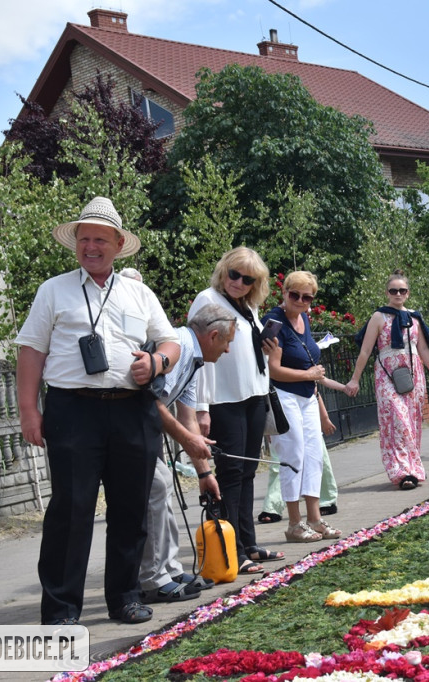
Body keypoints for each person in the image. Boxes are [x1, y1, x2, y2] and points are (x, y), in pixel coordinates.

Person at [15, 196, 181, 625]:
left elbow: (171, 343)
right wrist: (29, 412)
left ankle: (125, 597)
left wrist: (156, 362)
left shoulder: (139, 292)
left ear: (117, 243)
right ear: (76, 244)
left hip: (132, 410)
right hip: (73, 411)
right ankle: (61, 608)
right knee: (71, 509)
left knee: (131, 507)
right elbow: (31, 352)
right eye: (84, 238)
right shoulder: (53, 290)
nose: (91, 246)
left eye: (100, 240)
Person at [142, 303, 271, 604]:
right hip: (128, 427)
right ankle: (152, 579)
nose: (227, 351)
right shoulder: (179, 348)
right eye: (227, 343)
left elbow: (187, 416)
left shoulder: (196, 358)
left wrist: (204, 474)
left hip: (143, 430)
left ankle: (169, 571)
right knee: (156, 489)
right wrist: (189, 440)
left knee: (161, 492)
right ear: (213, 336)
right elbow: (152, 403)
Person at [189, 247, 275, 575]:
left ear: (256, 283)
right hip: (224, 400)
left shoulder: (249, 307)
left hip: (252, 395)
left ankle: (248, 544)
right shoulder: (207, 299)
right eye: (233, 274)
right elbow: (200, 354)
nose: (238, 282)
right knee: (230, 476)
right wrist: (201, 407)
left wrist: (268, 350)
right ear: (223, 271)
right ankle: (230, 550)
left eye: (247, 278)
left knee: (248, 473)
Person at [345, 271, 429, 489]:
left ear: (407, 293)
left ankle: (413, 469)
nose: (398, 294)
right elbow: (365, 351)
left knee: (412, 422)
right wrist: (355, 379)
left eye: (402, 290)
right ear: (387, 293)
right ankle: (401, 472)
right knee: (397, 421)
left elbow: (424, 349)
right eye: (393, 290)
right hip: (387, 374)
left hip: (414, 373)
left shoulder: (414, 318)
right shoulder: (378, 317)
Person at [265, 271, 342, 542]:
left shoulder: (304, 319)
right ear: (284, 293)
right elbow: (274, 369)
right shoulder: (275, 322)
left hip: (307, 396)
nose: (299, 300)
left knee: (313, 455)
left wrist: (316, 394)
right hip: (284, 395)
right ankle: (294, 524)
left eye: (306, 296)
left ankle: (315, 519)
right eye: (294, 294)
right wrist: (309, 375)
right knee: (293, 453)